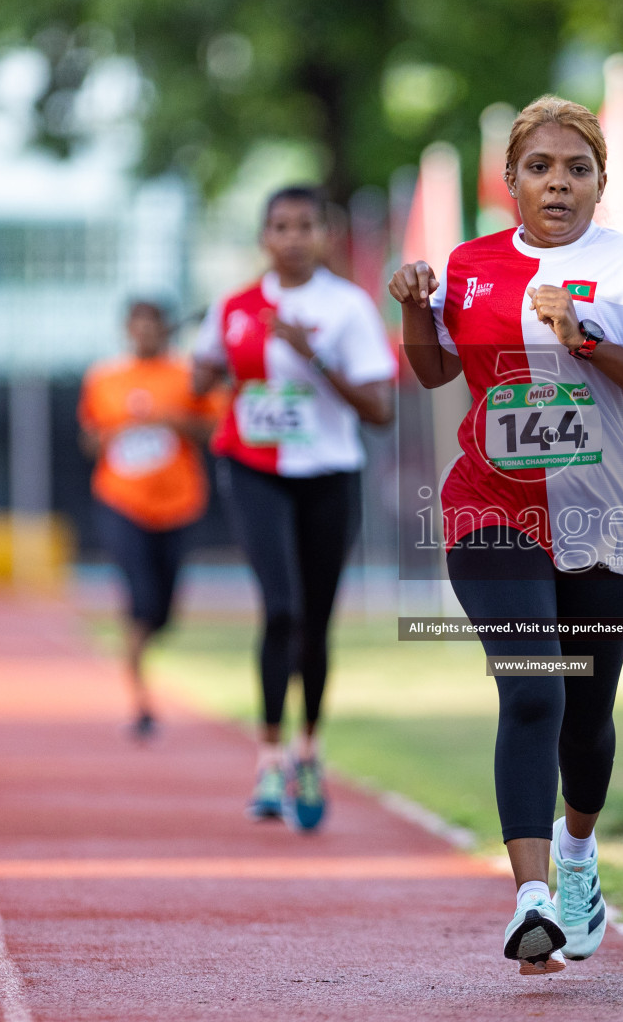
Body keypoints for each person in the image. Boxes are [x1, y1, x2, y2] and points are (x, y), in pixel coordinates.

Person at [389, 95, 623, 975]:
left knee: (585, 716)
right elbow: (436, 366)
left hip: (604, 519)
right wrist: (415, 305)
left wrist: (585, 339)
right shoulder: (472, 265)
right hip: (490, 507)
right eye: (540, 168)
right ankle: (530, 898)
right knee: (532, 690)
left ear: (602, 182)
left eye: (577, 168)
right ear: (510, 181)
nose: (558, 183)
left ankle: (577, 855)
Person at [193, 185, 395, 830]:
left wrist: (314, 357)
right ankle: (270, 756)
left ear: (325, 235)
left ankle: (310, 746)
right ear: (263, 237)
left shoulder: (348, 308)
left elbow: (380, 412)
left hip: (329, 473)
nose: (292, 238)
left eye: (306, 225)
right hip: (253, 469)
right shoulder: (235, 307)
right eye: (280, 226)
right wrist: (206, 374)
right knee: (279, 608)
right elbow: (202, 372)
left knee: (314, 618)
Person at [79, 299, 218, 740]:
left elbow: (214, 429)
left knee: (162, 612)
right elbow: (89, 440)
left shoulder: (186, 375)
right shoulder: (104, 377)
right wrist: (115, 433)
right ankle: (141, 702)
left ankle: (144, 636)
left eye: (152, 325)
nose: (144, 333)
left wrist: (173, 421)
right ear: (126, 330)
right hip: (121, 501)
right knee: (139, 599)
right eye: (135, 325)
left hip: (178, 502)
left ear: (164, 330)